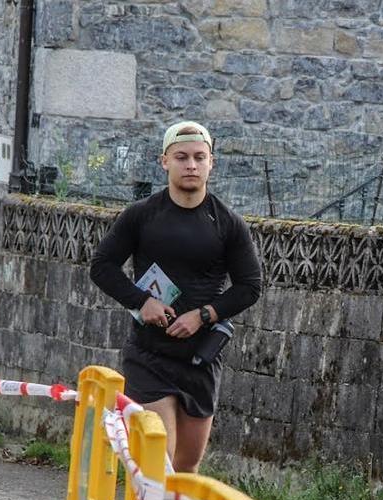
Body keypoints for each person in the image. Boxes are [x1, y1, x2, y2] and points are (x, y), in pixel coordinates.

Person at [90, 121, 262, 473]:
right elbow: (102, 266)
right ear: (164, 161)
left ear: (212, 163)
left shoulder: (228, 223)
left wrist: (204, 315)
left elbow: (250, 286)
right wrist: (142, 301)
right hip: (150, 355)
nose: (191, 165)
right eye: (181, 157)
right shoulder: (141, 215)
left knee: (186, 467)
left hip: (200, 359)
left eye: (199, 157)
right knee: (160, 460)